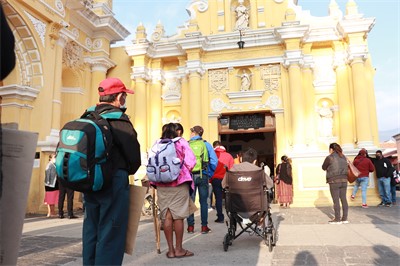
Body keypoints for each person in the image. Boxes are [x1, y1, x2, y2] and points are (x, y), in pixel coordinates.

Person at [82, 77, 141, 265]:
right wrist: (125, 171)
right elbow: (134, 157)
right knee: (112, 231)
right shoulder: (119, 119)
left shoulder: (87, 116)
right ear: (119, 97)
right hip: (113, 180)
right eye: (124, 95)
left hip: (89, 181)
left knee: (92, 228)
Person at [150, 123, 196, 259]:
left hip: (161, 184)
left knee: (167, 216)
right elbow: (191, 162)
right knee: (178, 216)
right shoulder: (181, 142)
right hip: (178, 183)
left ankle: (170, 251)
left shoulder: (157, 143)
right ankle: (179, 249)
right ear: (178, 132)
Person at [187, 126, 218, 234]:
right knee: (203, 202)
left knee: (190, 201)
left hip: (190, 176)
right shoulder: (206, 144)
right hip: (202, 175)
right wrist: (208, 173)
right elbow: (214, 161)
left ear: (194, 133)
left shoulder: (187, 144)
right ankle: (204, 227)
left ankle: (190, 227)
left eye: (191, 132)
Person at [322, 143, 349, 224]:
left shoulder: (329, 157)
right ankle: (344, 219)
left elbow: (323, 167)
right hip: (344, 180)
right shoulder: (343, 157)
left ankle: (337, 219)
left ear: (331, 149)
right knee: (344, 199)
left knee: (336, 200)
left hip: (334, 181)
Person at [211, 141, 234, 223]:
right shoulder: (229, 156)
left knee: (218, 199)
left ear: (214, 147)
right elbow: (232, 169)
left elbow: (210, 168)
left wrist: (210, 179)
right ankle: (232, 215)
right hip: (227, 179)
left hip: (216, 179)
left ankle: (220, 217)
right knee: (230, 197)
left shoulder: (213, 155)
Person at [43, 154, 59, 218]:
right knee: (49, 198)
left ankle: (53, 212)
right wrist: (48, 183)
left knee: (53, 198)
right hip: (50, 185)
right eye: (54, 157)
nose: (55, 159)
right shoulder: (49, 165)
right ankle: (50, 212)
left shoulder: (55, 165)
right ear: (50, 158)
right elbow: (47, 174)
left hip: (55, 184)